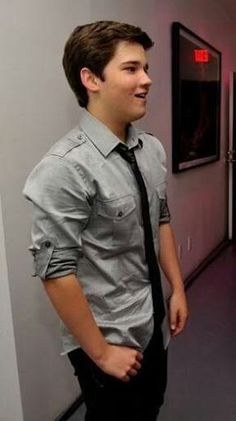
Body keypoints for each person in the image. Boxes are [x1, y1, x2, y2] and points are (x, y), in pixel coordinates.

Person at [23, 20, 188, 421]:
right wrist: (101, 353)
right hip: (109, 338)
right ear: (91, 78)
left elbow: (160, 219)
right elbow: (55, 271)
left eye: (145, 68)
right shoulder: (64, 168)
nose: (147, 79)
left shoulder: (151, 150)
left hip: (152, 323)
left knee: (150, 408)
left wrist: (177, 289)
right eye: (131, 69)